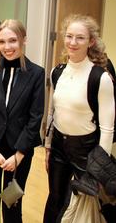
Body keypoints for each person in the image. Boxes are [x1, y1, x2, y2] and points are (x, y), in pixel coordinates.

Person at [43, 14, 115, 222]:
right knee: (55, 198)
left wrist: (100, 167)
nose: (73, 42)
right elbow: (52, 113)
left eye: (80, 38)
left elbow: (107, 127)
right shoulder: (57, 72)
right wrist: (48, 146)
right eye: (69, 36)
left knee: (89, 204)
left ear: (91, 41)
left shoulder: (100, 77)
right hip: (58, 147)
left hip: (87, 150)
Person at [0, 19, 45, 222]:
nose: (7, 47)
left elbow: (35, 117)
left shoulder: (36, 73)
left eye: (12, 40)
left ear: (24, 40)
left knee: (12, 201)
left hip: (19, 149)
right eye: (1, 42)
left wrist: (19, 155)